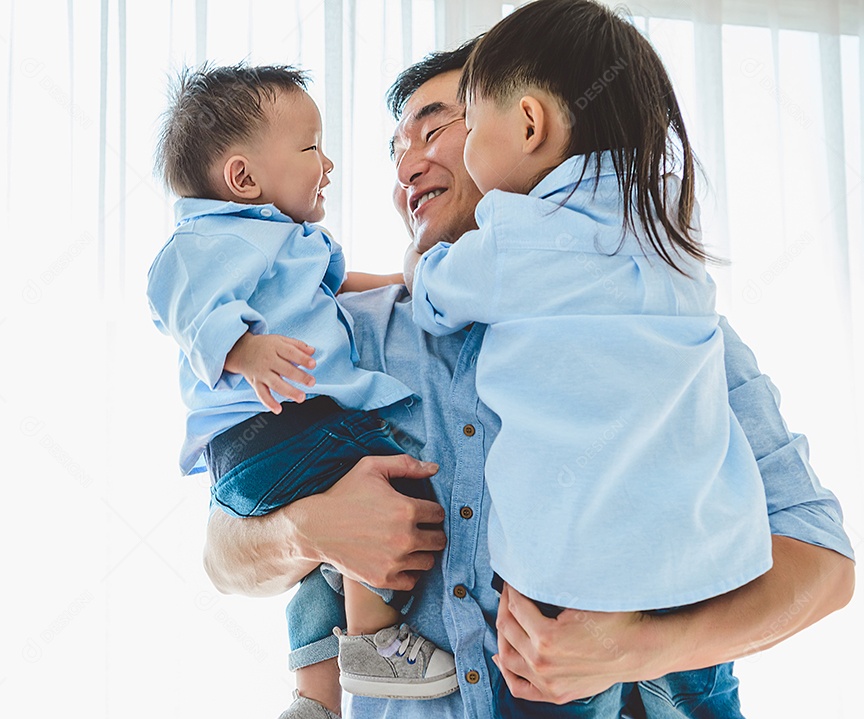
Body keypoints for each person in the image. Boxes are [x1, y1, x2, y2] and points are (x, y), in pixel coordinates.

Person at [201, 33, 856, 719]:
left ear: (527, 130)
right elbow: (223, 550)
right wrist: (311, 529)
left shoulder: (668, 333)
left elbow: (823, 562)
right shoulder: (339, 337)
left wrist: (638, 648)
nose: (408, 168)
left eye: (438, 129)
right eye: (396, 151)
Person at [408, 1, 771, 715]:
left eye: (462, 127)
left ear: (531, 125)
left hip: (563, 583)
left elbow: (435, 292)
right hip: (704, 562)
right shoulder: (673, 236)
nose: (411, 161)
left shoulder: (513, 242)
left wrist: (417, 269)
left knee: (544, 685)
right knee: (705, 692)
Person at [147, 63, 458, 719]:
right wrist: (244, 349)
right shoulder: (205, 240)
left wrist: (411, 283)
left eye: (434, 131)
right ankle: (375, 640)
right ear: (244, 177)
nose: (331, 163)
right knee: (388, 477)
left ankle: (314, 698)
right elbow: (180, 304)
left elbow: (341, 288)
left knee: (328, 569)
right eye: (311, 146)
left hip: (284, 438)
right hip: (269, 435)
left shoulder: (295, 245)